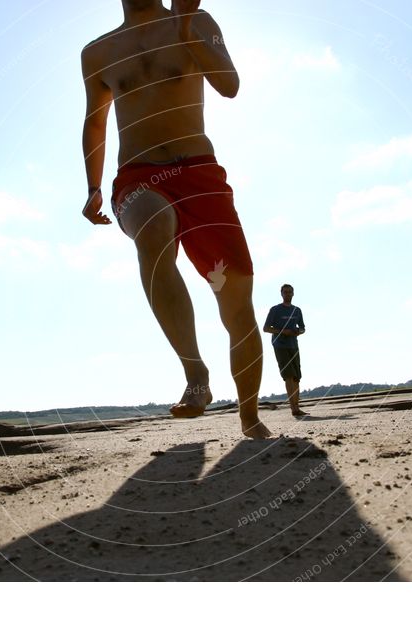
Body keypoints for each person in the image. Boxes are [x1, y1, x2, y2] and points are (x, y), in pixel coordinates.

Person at [80, 0, 272, 439]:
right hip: (137, 177)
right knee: (152, 228)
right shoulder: (97, 52)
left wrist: (185, 26)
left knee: (235, 295)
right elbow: (95, 122)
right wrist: (93, 187)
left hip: (199, 171)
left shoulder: (198, 21)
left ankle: (250, 416)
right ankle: (195, 374)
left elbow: (229, 83)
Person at [263, 284, 307, 417]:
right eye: (285, 292)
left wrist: (298, 332)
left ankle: (297, 407)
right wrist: (283, 332)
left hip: (294, 345)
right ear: (281, 294)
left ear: (293, 294)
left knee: (296, 377)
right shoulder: (275, 310)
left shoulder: (297, 310)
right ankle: (293, 408)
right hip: (280, 345)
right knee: (288, 376)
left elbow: (303, 328)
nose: (288, 294)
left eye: (290, 292)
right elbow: (266, 328)